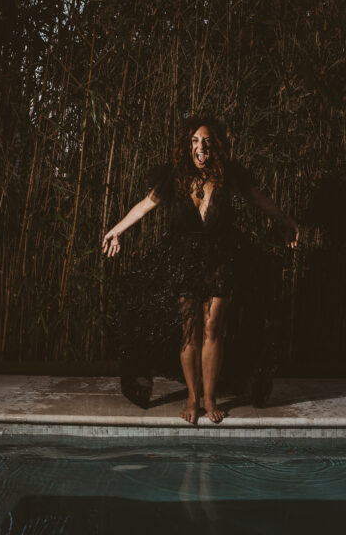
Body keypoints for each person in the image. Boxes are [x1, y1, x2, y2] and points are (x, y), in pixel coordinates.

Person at [102, 116, 299, 424]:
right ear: (187, 146)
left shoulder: (228, 176)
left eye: (206, 141)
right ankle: (193, 397)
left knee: (213, 326)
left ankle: (210, 397)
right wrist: (116, 230)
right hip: (183, 259)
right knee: (190, 330)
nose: (201, 146)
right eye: (194, 141)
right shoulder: (173, 177)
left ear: (215, 146)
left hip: (221, 258)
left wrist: (288, 222)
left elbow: (260, 199)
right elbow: (144, 205)